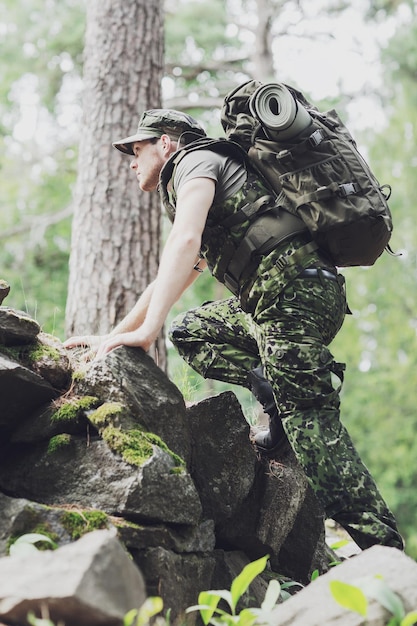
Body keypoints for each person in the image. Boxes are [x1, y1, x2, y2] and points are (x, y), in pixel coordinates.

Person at [64, 108, 404, 552]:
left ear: (166, 142)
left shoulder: (193, 162)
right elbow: (185, 266)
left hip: (293, 296)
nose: (131, 160)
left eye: (137, 148)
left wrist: (146, 332)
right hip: (275, 301)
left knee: (314, 429)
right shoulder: (203, 173)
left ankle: (386, 555)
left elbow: (184, 241)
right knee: (193, 330)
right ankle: (277, 402)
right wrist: (116, 334)